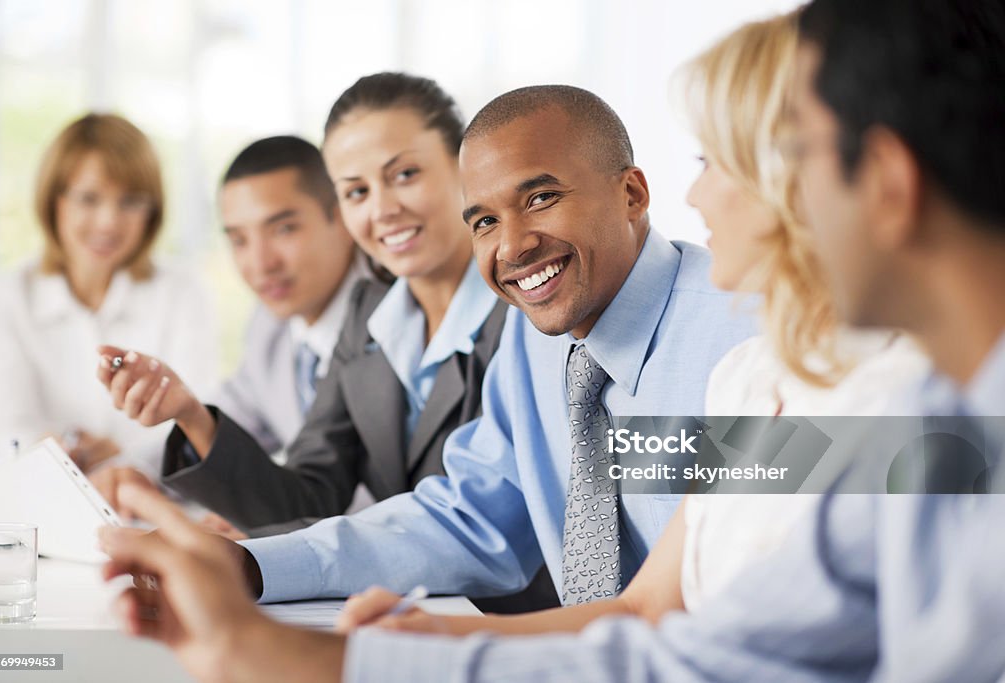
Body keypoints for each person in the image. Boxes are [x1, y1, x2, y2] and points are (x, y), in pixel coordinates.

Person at [99, 0, 1005, 680]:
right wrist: (269, 577)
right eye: (482, 217)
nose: (704, 197)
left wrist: (322, 659)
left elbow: (694, 641)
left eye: (728, 161)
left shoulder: (824, 375)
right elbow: (632, 597)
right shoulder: (735, 374)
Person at [335, 10, 931, 635]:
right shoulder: (752, 377)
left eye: (713, 161)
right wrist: (420, 641)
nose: (694, 197)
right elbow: (642, 611)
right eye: (483, 220)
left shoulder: (889, 394)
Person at [97, 73, 561, 613]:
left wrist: (250, 557)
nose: (383, 209)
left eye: (405, 174)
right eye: (357, 191)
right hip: (402, 614)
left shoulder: (532, 314)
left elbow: (480, 523)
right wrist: (190, 415)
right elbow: (312, 494)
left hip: (520, 625)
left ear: (465, 170)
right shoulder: (371, 317)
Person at [89, 135, 368, 513]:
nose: (260, 263)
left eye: (283, 229)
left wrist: (270, 530)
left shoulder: (391, 319)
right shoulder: (272, 326)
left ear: (342, 216)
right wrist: (137, 471)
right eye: (239, 240)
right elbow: (234, 412)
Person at [0, 113, 217, 471]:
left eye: (129, 202)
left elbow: (197, 417)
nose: (108, 221)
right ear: (54, 201)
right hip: (44, 500)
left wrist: (122, 457)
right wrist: (63, 459)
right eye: (88, 199)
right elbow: (10, 429)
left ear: (151, 211)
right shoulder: (5, 298)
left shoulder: (181, 292)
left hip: (154, 504)